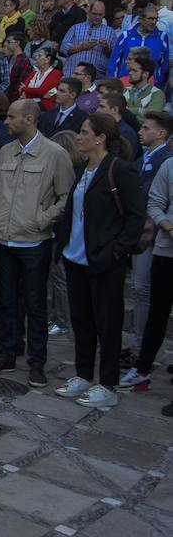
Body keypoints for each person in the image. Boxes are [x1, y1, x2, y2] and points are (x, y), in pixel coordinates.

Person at [0, 99, 75, 386]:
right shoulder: (6, 151)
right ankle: (8, 353)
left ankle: (37, 362)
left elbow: (65, 196)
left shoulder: (54, 154)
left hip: (34, 241)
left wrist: (43, 219)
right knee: (5, 301)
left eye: (12, 117)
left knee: (35, 305)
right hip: (4, 239)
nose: (6, 121)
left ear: (30, 119)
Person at [54, 113, 143, 407]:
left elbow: (135, 217)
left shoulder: (120, 170)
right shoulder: (82, 169)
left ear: (100, 138)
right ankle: (82, 373)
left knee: (108, 321)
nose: (78, 137)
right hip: (75, 257)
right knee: (81, 320)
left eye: (83, 132)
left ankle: (107, 383)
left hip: (104, 260)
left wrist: (116, 251)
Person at [119, 111, 173, 385]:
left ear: (161, 133)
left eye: (147, 128)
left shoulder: (163, 159)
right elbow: (151, 198)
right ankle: (142, 357)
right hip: (154, 238)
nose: (140, 131)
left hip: (157, 238)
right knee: (146, 295)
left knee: (145, 293)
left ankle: (144, 354)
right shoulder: (157, 161)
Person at [125, 155, 173, 403]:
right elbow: (155, 202)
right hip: (167, 250)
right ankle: (142, 370)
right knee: (158, 313)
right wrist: (168, 226)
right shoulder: (169, 166)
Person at [46, 129, 85, 338]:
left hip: (65, 233)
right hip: (60, 232)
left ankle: (62, 321)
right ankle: (56, 317)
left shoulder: (74, 173)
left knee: (60, 279)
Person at [109, 6, 170, 88]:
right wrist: (114, 84)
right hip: (126, 83)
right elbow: (114, 62)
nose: (154, 22)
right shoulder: (126, 36)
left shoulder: (162, 37)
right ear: (140, 19)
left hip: (150, 85)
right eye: (150, 19)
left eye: (156, 19)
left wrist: (158, 83)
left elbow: (164, 65)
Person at [60, 1, 115, 79]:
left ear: (104, 14)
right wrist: (81, 46)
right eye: (94, 14)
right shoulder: (76, 28)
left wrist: (106, 48)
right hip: (71, 75)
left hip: (96, 78)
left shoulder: (110, 32)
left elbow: (114, 57)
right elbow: (63, 48)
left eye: (100, 15)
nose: (97, 17)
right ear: (89, 12)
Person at [97, 91, 141, 161]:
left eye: (102, 107)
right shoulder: (102, 127)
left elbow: (120, 161)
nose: (97, 110)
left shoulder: (126, 133)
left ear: (115, 110)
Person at [124, 56, 165, 124]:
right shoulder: (125, 90)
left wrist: (126, 111)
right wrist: (139, 110)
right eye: (130, 70)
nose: (130, 73)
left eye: (134, 71)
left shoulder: (157, 94)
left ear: (145, 74)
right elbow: (117, 112)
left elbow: (151, 119)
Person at [4, 32, 30, 103]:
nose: (5, 44)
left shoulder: (24, 60)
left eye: (9, 41)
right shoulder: (7, 58)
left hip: (12, 100)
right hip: (3, 97)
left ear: (17, 43)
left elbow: (20, 84)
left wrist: (13, 102)